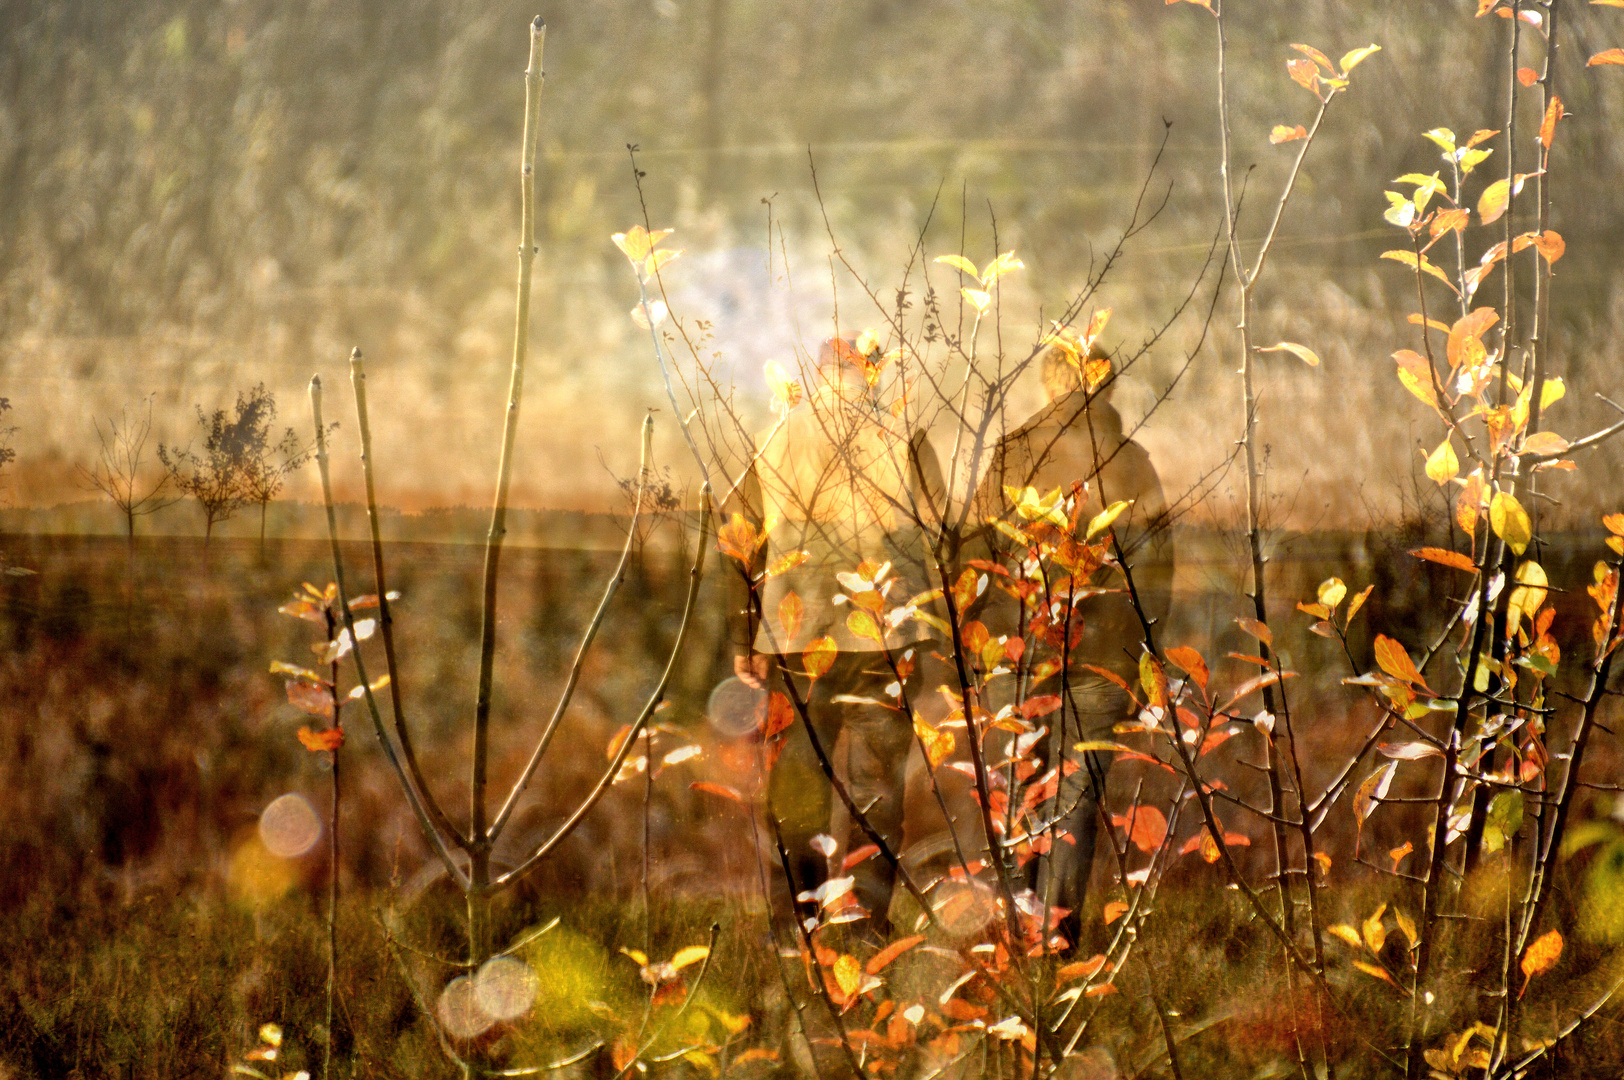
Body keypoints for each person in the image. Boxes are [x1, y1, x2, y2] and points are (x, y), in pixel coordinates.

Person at [730, 335, 944, 941]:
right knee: (879, 790)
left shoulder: (779, 433)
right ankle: (867, 928)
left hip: (797, 636)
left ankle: (797, 926)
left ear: (820, 375)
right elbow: (940, 523)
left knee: (797, 783)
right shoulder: (905, 435)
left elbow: (740, 536)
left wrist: (745, 632)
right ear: (870, 375)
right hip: (885, 632)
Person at [969, 330, 1175, 948]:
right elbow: (1155, 571)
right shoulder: (1133, 462)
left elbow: (977, 557)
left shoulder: (1011, 455)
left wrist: (976, 648)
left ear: (1046, 384)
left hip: (1018, 651)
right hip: (1104, 659)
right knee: (1078, 798)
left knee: (1015, 788)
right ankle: (1057, 942)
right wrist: (1144, 662)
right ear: (1106, 383)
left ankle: (1014, 932)